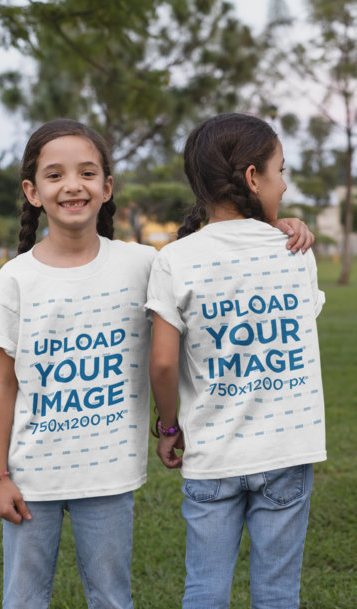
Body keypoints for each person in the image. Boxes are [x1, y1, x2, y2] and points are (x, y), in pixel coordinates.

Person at [146, 113, 326, 609]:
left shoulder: (174, 258)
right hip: (287, 452)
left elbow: (161, 365)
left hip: (211, 456)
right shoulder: (295, 252)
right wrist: (279, 229)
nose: (285, 187)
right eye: (281, 171)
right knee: (277, 593)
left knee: (204, 590)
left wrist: (168, 428)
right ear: (252, 177)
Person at [0, 118, 156, 609]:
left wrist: (279, 228)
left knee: (112, 599)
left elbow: (209, 256)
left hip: (109, 476)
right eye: (55, 175)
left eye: (86, 172)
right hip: (30, 479)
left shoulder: (141, 264)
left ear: (106, 187)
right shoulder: (16, 278)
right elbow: (2, 385)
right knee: (23, 600)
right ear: (33, 192)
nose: (73, 185)